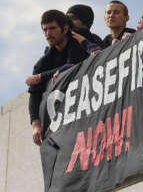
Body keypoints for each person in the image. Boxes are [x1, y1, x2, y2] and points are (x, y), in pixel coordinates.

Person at [26, 9, 100, 145]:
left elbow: (74, 64)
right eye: (45, 30)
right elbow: (34, 94)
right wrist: (36, 125)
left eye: (53, 28)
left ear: (65, 28)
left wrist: (41, 77)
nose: (48, 34)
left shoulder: (80, 39)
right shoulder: (45, 61)